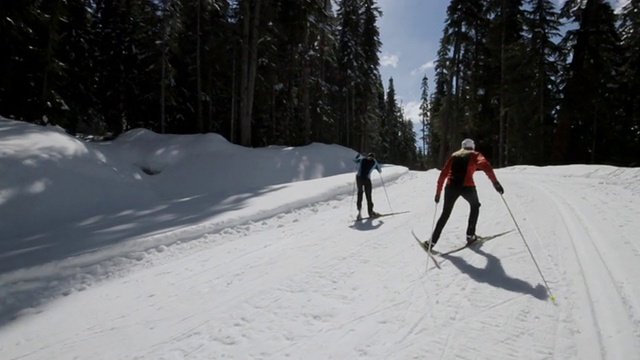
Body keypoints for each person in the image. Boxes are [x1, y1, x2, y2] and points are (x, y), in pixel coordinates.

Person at [425, 138, 504, 249]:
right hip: (467, 186)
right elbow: (486, 166)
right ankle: (470, 235)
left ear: (462, 147)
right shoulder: (475, 155)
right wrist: (495, 183)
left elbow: (443, 174)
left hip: (450, 187)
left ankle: (431, 242)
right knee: (475, 205)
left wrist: (438, 193)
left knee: (445, 213)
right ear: (473, 146)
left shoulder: (454, 155)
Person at [353, 152, 382, 220]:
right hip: (366, 179)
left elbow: (355, 160)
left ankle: (359, 212)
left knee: (360, 193)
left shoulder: (362, 159)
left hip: (359, 178)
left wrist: (357, 156)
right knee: (368, 196)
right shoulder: (374, 162)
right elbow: (380, 170)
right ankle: (370, 212)